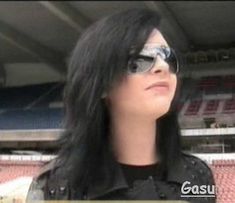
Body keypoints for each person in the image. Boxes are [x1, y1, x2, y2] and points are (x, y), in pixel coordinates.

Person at [26, 8, 216, 202]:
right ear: (101, 84)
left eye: (169, 57)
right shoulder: (56, 185)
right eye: (139, 60)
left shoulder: (197, 177)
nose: (163, 66)